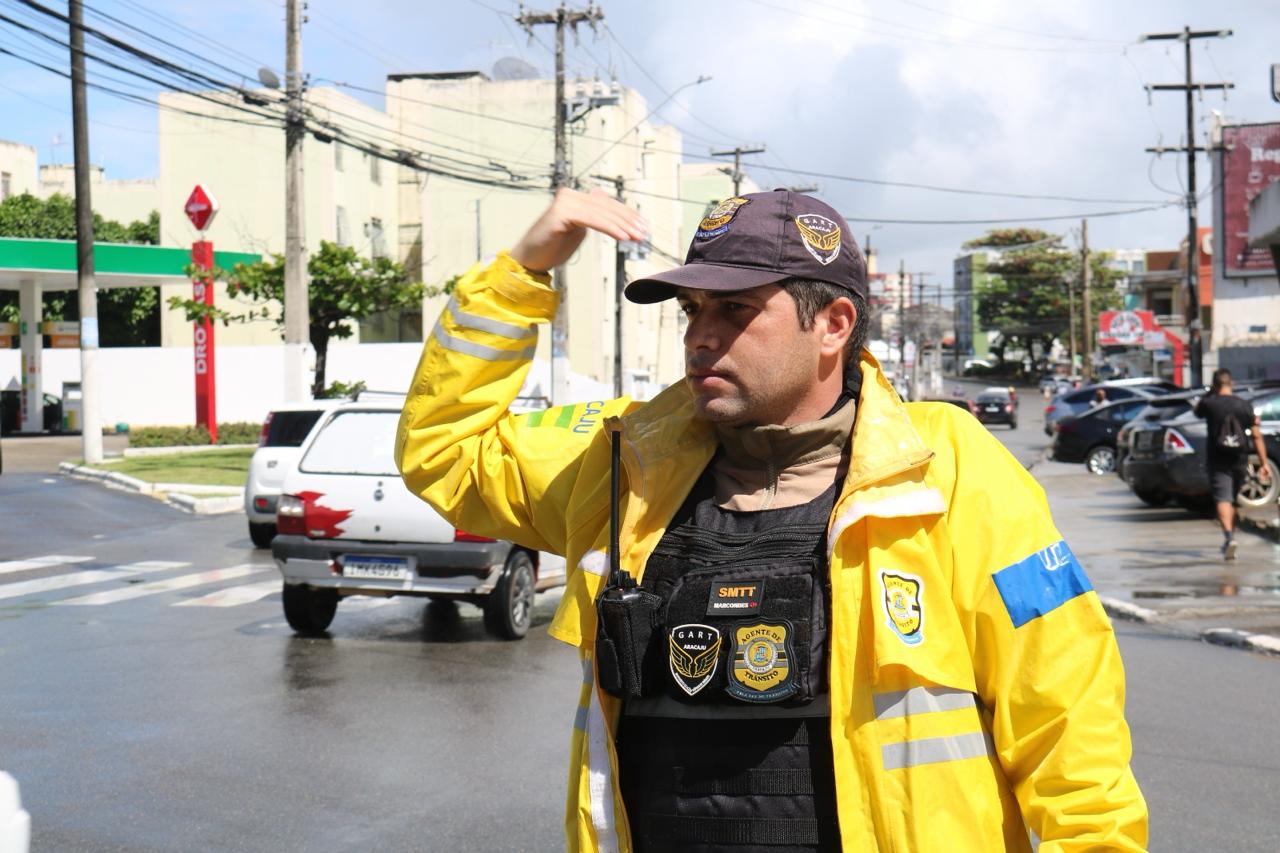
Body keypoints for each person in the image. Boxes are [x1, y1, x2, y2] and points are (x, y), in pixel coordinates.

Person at [396, 188, 1147, 851]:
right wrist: (519, 277)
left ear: (834, 324)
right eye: (693, 310)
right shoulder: (623, 462)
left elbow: (1071, 740)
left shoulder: (952, 474)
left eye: (735, 309)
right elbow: (445, 451)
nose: (700, 335)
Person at [1195, 368, 1270, 560]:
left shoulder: (1210, 404)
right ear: (1232, 383)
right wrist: (1264, 463)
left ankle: (1229, 538)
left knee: (1223, 498)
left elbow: (1196, 411)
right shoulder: (1244, 405)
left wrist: (1209, 392)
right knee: (1233, 498)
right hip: (1240, 458)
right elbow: (1256, 435)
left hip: (1217, 457)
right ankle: (1231, 536)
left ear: (1215, 385)